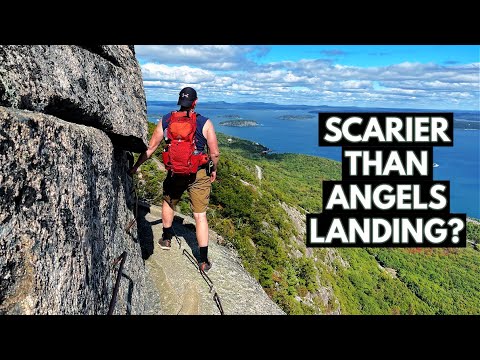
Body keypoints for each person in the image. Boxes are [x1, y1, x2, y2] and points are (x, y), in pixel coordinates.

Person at [130, 87, 220, 272]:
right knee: (200, 215)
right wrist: (213, 169)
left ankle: (166, 238)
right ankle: (203, 260)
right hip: (199, 173)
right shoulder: (205, 122)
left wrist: (136, 166)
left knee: (169, 202)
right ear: (195, 102)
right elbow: (215, 153)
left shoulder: (166, 120)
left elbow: (151, 148)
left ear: (180, 101)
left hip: (174, 173)